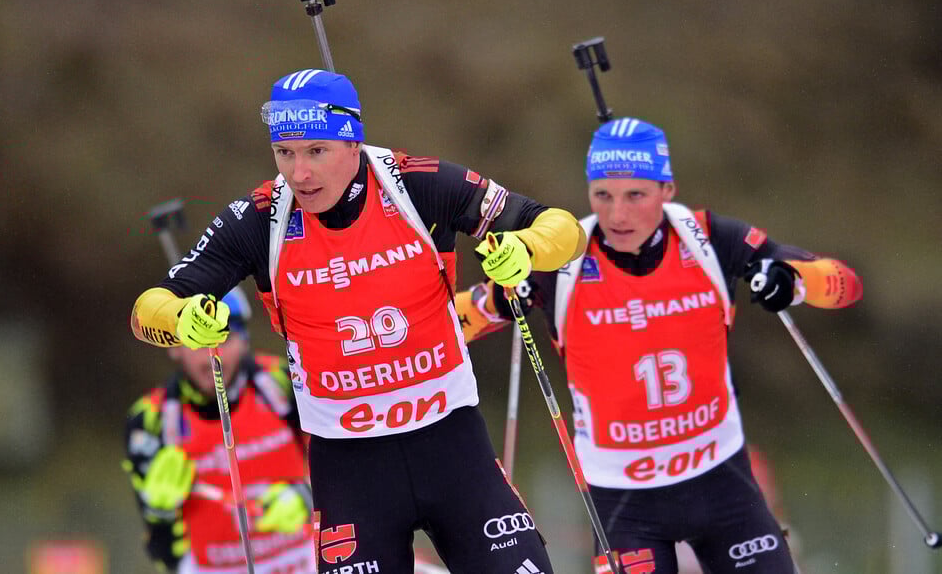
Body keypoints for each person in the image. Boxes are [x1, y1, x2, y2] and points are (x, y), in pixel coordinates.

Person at [130, 68, 587, 574]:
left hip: (450, 443)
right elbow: (147, 308)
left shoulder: (419, 185)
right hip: (350, 467)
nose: (299, 173)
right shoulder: (260, 218)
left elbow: (562, 228)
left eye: (316, 152)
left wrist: (527, 248)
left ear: (353, 143)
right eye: (285, 154)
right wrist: (182, 318)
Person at [455, 117, 862, 574]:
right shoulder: (560, 259)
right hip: (623, 500)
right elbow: (456, 321)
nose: (617, 215)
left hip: (721, 482)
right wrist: (496, 298)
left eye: (636, 195)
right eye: (603, 195)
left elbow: (845, 285)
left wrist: (794, 281)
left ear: (667, 190)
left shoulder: (709, 239)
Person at [123, 287, 316, 574]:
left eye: (223, 340)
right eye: (195, 344)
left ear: (244, 340)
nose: (209, 359)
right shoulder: (151, 420)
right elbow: (161, 548)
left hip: (303, 560)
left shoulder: (284, 383)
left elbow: (348, 470)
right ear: (175, 348)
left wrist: (304, 496)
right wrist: (159, 509)